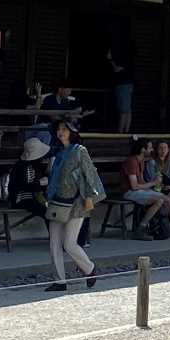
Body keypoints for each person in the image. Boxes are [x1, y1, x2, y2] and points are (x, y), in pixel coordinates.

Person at [41, 112, 102, 290]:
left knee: (69, 243)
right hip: (57, 200)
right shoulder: (58, 153)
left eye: (64, 129)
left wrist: (90, 197)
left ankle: (89, 268)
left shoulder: (80, 151)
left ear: (72, 132)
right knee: (54, 243)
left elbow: (89, 174)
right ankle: (59, 280)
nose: (61, 132)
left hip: (76, 201)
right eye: (59, 129)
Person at [120, 139, 167, 238]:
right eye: (150, 148)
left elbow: (141, 183)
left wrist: (156, 185)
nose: (152, 150)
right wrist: (153, 183)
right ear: (142, 149)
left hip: (139, 190)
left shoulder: (141, 161)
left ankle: (158, 228)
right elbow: (134, 186)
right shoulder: (131, 161)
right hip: (129, 192)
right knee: (159, 201)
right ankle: (141, 228)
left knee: (168, 200)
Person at [106, 42, 136, 134]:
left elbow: (117, 69)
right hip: (128, 85)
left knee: (124, 111)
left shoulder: (124, 58)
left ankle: (120, 133)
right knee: (127, 110)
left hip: (123, 86)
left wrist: (110, 60)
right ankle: (125, 132)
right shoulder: (129, 57)